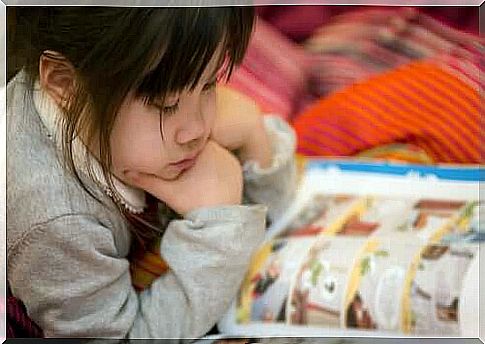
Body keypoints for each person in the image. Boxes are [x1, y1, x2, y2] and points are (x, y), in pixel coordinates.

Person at [6, 7, 297, 338]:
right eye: (165, 104)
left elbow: (284, 217)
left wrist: (254, 138)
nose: (197, 129)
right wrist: (219, 236)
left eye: (209, 84)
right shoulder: (56, 221)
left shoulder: (157, 106)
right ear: (64, 84)